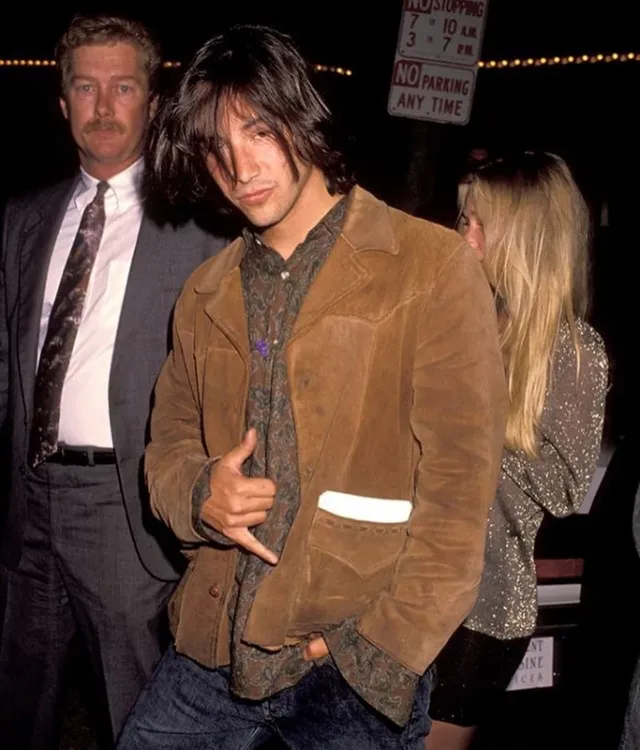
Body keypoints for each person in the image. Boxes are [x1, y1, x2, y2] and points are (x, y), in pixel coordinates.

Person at [116, 24, 507, 750]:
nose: (240, 167)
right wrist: (201, 493)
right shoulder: (204, 293)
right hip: (212, 648)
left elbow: (459, 499)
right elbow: (164, 447)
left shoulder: (429, 266)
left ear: (300, 116)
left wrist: (375, 649)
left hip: (349, 663)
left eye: (259, 131)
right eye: (216, 147)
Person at [0, 13, 226, 749]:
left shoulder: (199, 227)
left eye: (123, 87)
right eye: (85, 87)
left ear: (152, 102)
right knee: (19, 703)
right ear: (62, 100)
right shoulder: (25, 218)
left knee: (136, 716)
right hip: (29, 503)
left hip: (125, 511)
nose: (102, 106)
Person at [425, 151, 609, 750]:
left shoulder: (573, 351)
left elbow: (565, 488)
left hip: (482, 609)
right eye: (464, 219)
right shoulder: (461, 318)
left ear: (526, 239)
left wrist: (475, 429)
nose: (465, 236)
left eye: (481, 223)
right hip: (412, 584)